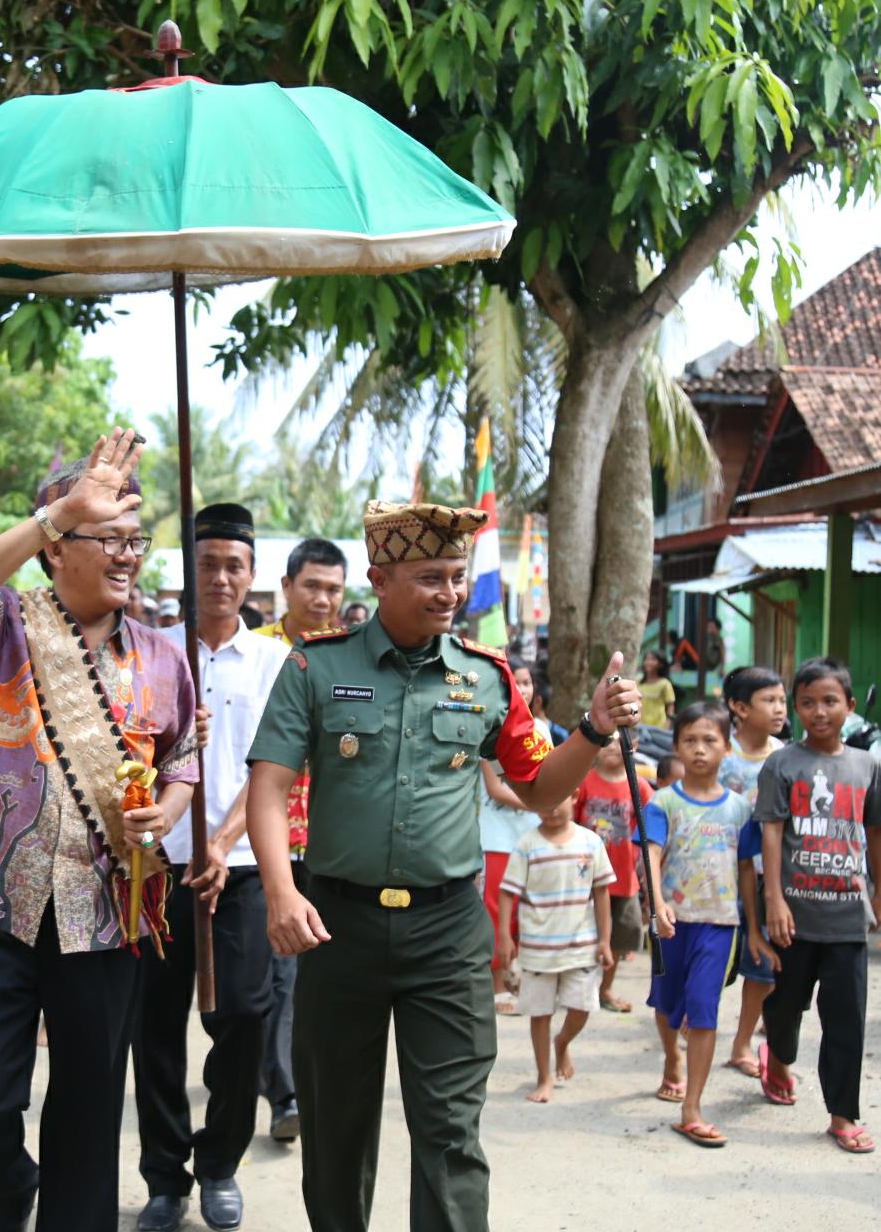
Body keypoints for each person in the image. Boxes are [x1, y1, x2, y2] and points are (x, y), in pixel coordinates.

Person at [246, 497, 642, 1232]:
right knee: (335, 1128)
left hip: (449, 935)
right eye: (431, 576)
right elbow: (268, 784)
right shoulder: (315, 669)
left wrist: (591, 728)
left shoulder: (489, 678)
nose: (450, 593)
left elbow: (538, 786)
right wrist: (279, 890)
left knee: (451, 1132)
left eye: (457, 576)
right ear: (380, 578)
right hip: (338, 927)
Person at [0, 430, 199, 1232]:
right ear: (56, 548)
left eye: (134, 540)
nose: (128, 555)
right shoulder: (10, 624)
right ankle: (10, 1192)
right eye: (107, 538)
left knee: (88, 1120)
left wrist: (172, 810)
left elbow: (185, 756)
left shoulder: (161, 655)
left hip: (107, 913)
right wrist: (57, 513)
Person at [135, 503, 290, 1232]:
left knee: (245, 1015)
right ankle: (164, 1176)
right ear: (188, 570)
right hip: (156, 865)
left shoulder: (273, 660)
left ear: (252, 573)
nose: (221, 577)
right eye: (208, 563)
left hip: (243, 866)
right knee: (155, 1023)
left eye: (234, 564)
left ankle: (220, 1160)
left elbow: (273, 768)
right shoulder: (150, 651)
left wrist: (222, 843)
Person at [754, 657, 881, 1155]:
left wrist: (877, 891)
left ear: (850, 706)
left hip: (849, 916)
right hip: (796, 916)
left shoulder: (867, 765)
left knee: (845, 1018)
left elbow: (874, 832)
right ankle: (778, 1057)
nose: (819, 711)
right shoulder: (782, 764)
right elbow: (771, 830)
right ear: (796, 708)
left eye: (830, 701)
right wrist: (774, 901)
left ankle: (842, 1114)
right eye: (807, 702)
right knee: (785, 1007)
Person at [252, 537, 347, 1143]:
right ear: (286, 587)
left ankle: (309, 1082)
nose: (322, 598)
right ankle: (285, 1093)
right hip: (270, 839)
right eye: (312, 585)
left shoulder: (350, 655)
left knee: (328, 973)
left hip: (335, 839)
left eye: (334, 589)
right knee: (280, 974)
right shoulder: (258, 653)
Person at [637, 702, 763, 1148]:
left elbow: (746, 868)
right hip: (671, 923)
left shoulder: (739, 811)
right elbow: (649, 854)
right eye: (689, 740)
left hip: (719, 923)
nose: (700, 749)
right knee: (667, 1004)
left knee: (704, 1009)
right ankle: (671, 1056)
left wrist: (753, 925)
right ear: (676, 747)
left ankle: (692, 1107)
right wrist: (657, 904)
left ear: (727, 749)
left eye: (710, 740)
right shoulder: (662, 802)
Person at [497, 791, 614, 1102]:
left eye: (556, 800)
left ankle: (562, 1043)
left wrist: (604, 940)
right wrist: (505, 936)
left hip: (581, 945)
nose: (549, 810)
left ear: (574, 796)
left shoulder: (591, 842)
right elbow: (508, 893)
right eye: (542, 803)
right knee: (540, 1012)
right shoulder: (527, 845)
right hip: (537, 949)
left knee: (582, 1007)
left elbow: (602, 892)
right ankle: (544, 1076)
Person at [719, 666, 787, 1078]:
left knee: (764, 965)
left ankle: (742, 1040)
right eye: (770, 700)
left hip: (768, 879)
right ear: (739, 707)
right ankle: (696, 1012)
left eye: (782, 700)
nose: (780, 708)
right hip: (718, 877)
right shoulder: (718, 753)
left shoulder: (785, 757)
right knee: (714, 958)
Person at [479, 659, 545, 1015]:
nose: (522, 689)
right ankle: (497, 984)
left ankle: (518, 972)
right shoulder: (487, 727)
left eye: (527, 682)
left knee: (526, 910)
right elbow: (495, 788)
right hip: (495, 838)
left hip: (532, 837)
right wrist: (542, 802)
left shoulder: (543, 733)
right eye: (514, 682)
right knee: (495, 912)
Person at [573, 730, 651, 1012]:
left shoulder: (639, 786)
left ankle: (605, 988)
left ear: (635, 745)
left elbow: (649, 827)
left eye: (620, 741)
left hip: (623, 877)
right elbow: (570, 819)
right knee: (580, 932)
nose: (612, 748)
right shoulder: (583, 781)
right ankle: (577, 989)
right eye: (606, 741)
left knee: (622, 933)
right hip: (583, 876)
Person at [639, 650, 676, 729]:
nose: (649, 662)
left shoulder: (665, 684)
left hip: (658, 725)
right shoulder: (639, 682)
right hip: (639, 724)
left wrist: (667, 724)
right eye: (647, 659)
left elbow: (670, 706)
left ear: (661, 664)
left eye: (653, 659)